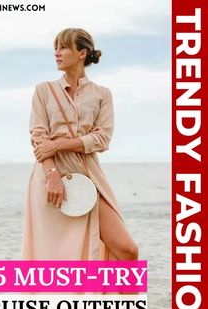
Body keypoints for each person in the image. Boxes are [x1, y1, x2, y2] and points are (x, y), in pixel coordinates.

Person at [22, 27, 138, 264]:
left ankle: (126, 302)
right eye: (55, 47)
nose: (57, 52)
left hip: (89, 173)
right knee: (56, 256)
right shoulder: (43, 91)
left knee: (127, 250)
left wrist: (58, 145)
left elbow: (102, 139)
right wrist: (52, 174)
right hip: (49, 174)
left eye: (64, 47)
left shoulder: (102, 94)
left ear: (83, 53)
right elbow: (39, 136)